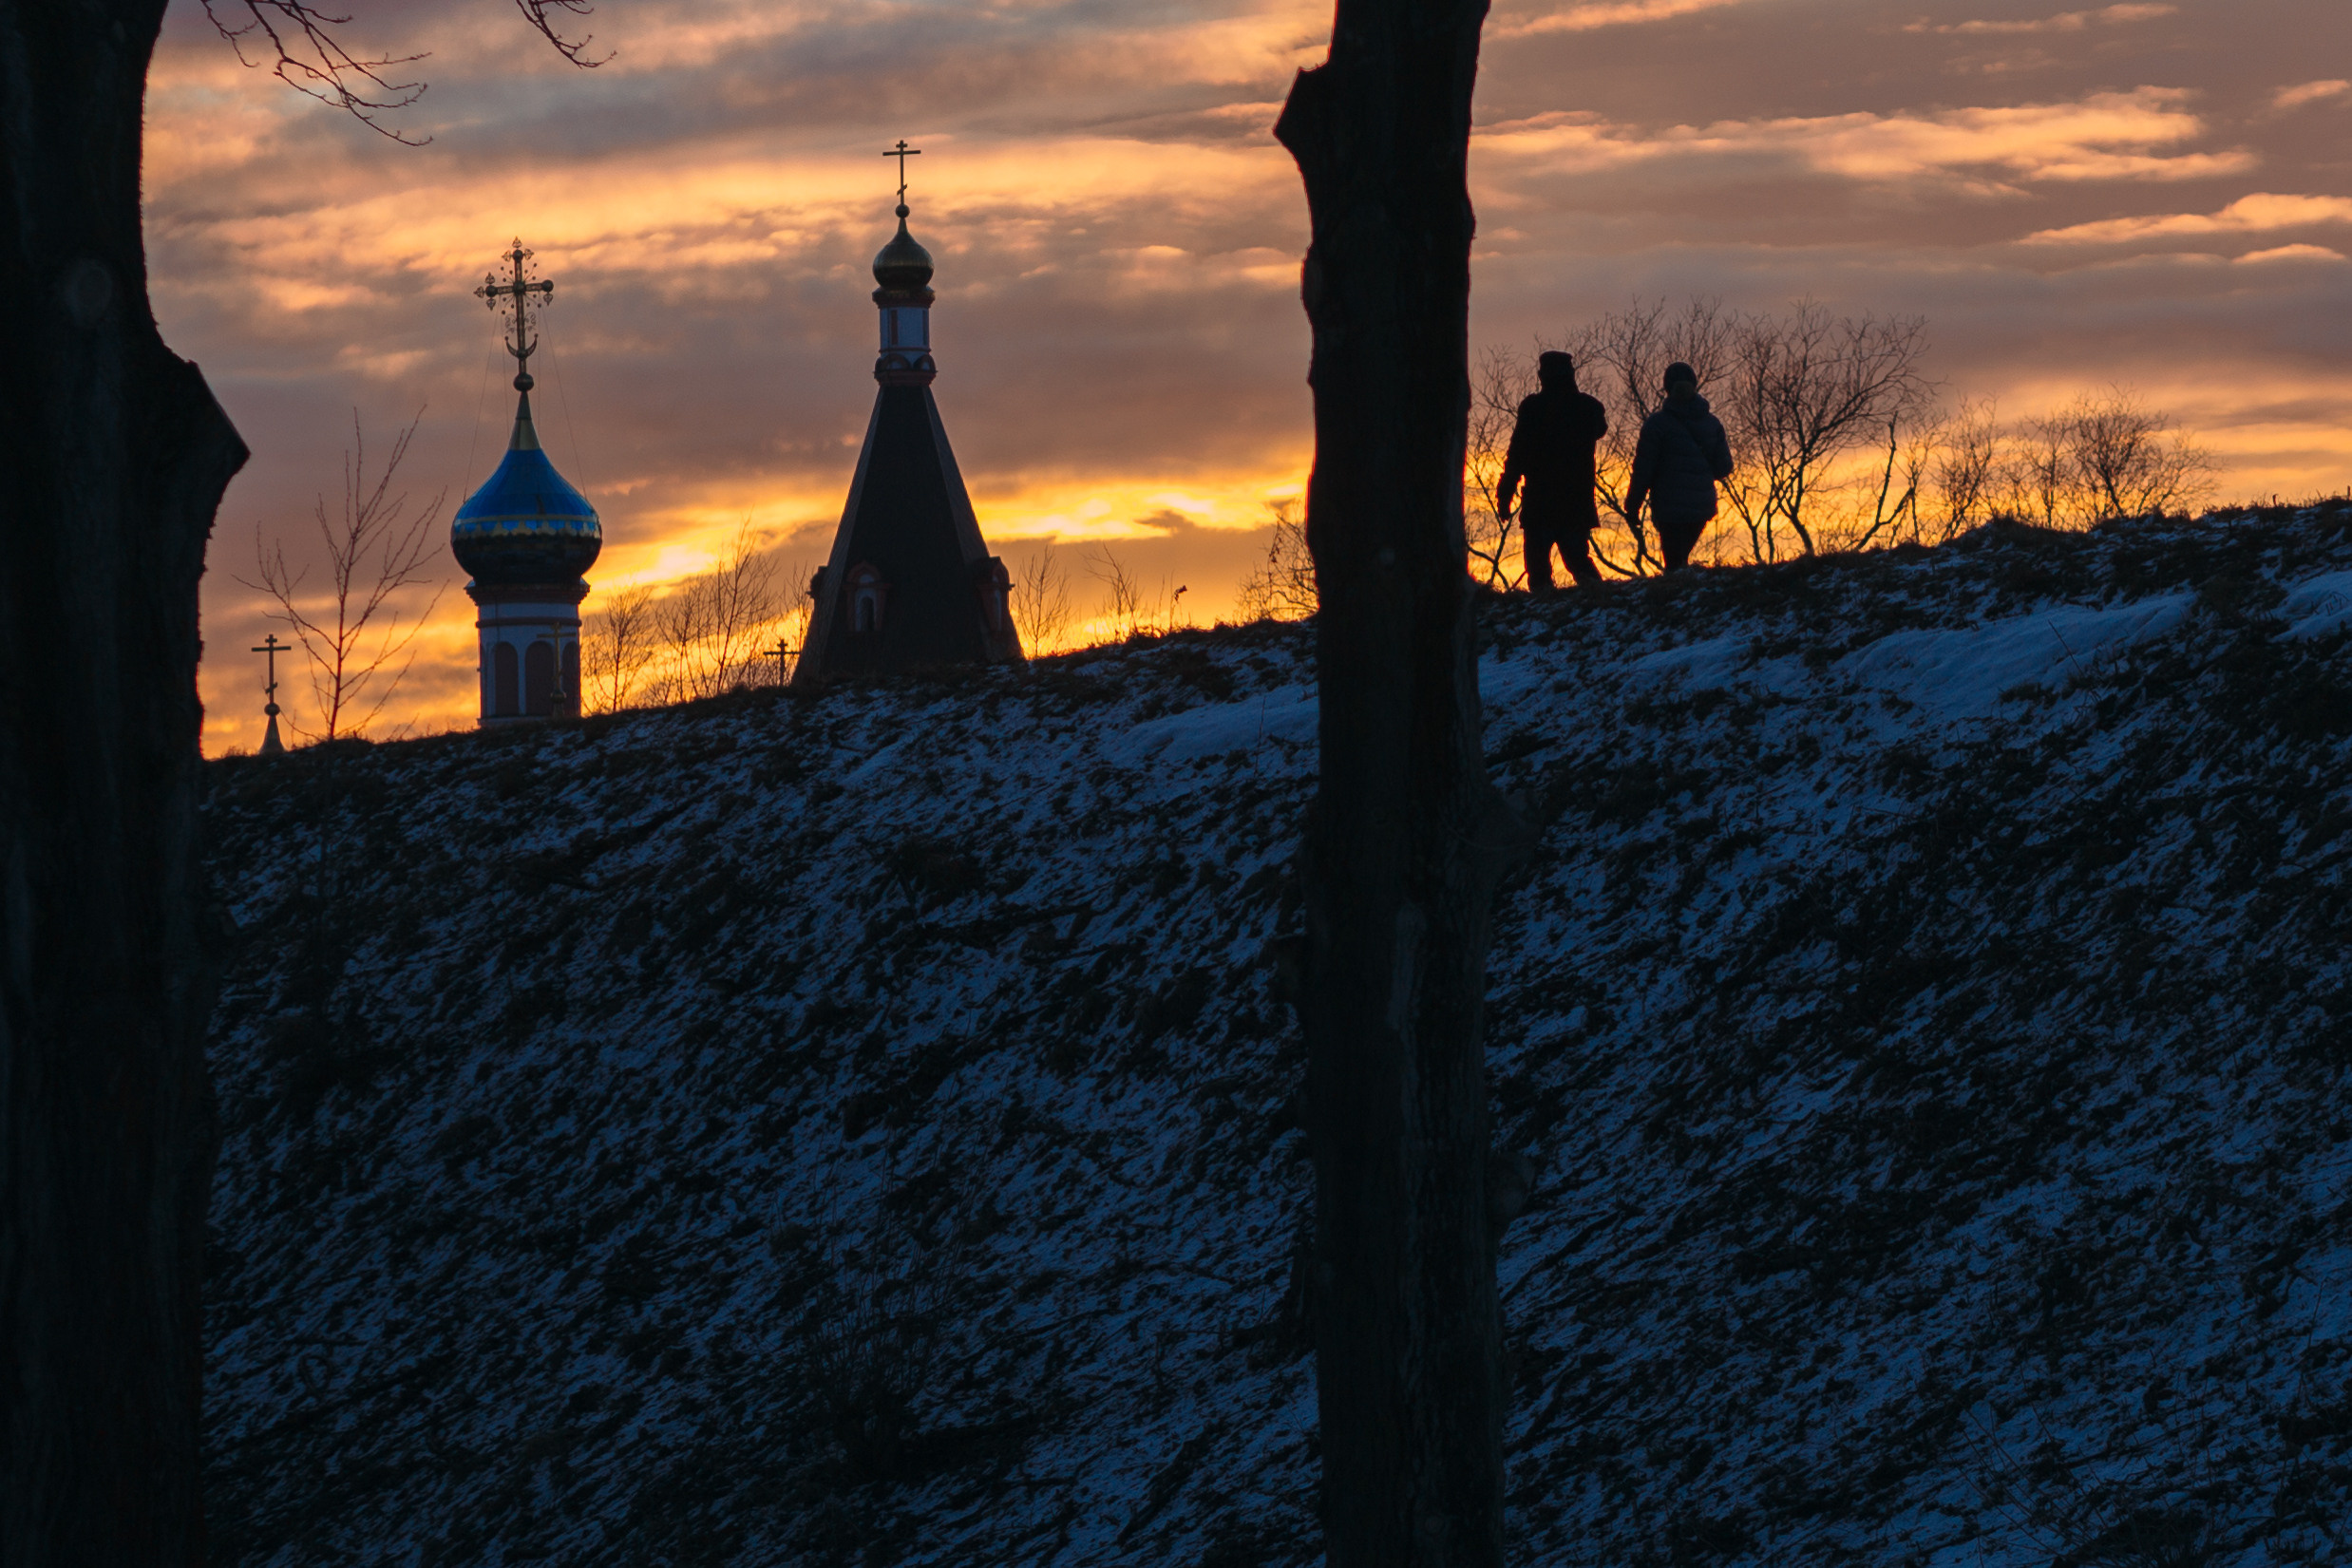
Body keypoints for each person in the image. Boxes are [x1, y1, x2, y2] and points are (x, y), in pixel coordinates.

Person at [1495, 350, 1609, 592]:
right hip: (1575, 501)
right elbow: (1600, 428)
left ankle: (1543, 608)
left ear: (1541, 376)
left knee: (1538, 568)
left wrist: (1505, 494)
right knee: (1578, 560)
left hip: (1540, 501)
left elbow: (1516, 455)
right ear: (1571, 375)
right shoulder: (1588, 408)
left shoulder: (1533, 408)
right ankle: (1600, 600)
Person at [1625, 361, 1735, 573]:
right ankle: (1688, 597)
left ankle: (1676, 599)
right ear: (1695, 385)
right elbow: (1723, 468)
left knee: (1674, 563)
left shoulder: (1657, 424)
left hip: (1669, 506)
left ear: (1667, 388)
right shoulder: (1712, 423)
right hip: (1701, 505)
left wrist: (1632, 506)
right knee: (1679, 560)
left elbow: (1643, 470)